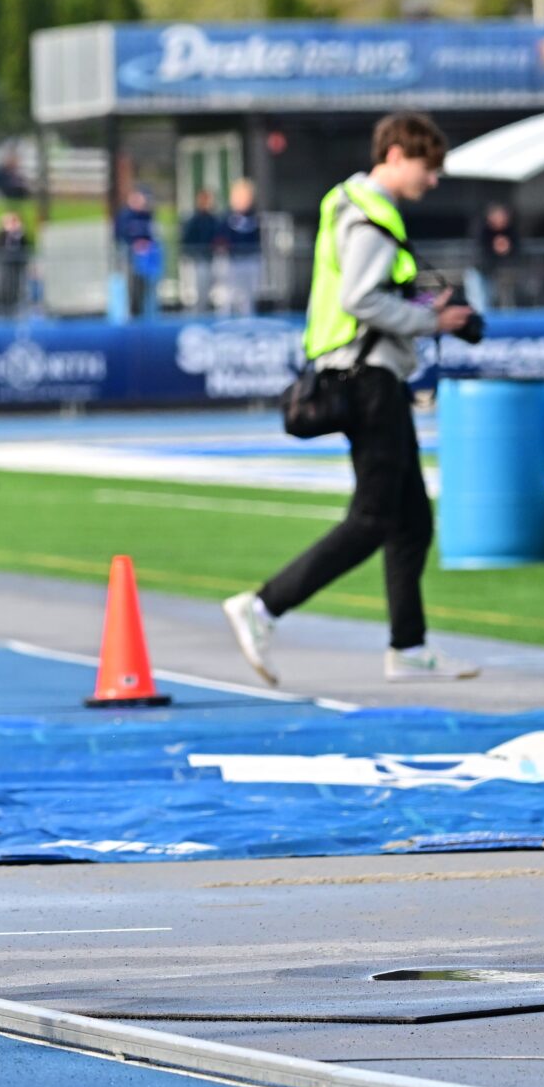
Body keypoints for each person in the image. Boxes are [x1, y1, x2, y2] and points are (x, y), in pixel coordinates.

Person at [224, 111, 482, 686]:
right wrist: (433, 324)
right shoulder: (369, 214)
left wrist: (431, 311)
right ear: (394, 155)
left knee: (411, 519)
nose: (432, 180)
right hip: (367, 379)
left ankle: (409, 648)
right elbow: (362, 299)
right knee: (372, 519)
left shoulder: (355, 206)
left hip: (365, 374)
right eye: (427, 167)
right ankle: (263, 606)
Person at [114, 185, 161, 318]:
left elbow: (152, 234)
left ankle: (145, 312)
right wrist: (134, 244)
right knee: (130, 285)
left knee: (146, 286)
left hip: (146, 259)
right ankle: (131, 313)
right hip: (129, 257)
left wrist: (147, 244)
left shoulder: (147, 216)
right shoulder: (124, 216)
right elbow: (121, 235)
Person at [179, 187, 223, 313]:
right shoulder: (194, 220)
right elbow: (187, 240)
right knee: (200, 290)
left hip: (213, 259)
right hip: (199, 260)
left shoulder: (214, 220)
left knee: (215, 290)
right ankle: (200, 314)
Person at [221, 179, 262, 316]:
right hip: (233, 261)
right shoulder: (228, 218)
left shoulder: (254, 217)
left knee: (248, 297)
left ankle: (248, 322)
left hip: (250, 260)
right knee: (230, 296)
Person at [477, 202, 520, 309]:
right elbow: (481, 250)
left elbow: (517, 248)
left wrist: (506, 248)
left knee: (506, 297)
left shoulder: (511, 231)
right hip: (485, 272)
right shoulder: (483, 231)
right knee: (485, 298)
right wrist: (495, 248)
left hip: (508, 271)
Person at [0, 210, 29, 314]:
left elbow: (26, 250)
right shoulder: (1, 235)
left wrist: (19, 234)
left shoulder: (21, 238)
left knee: (13, 296)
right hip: (1, 272)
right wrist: (4, 231)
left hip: (15, 274)